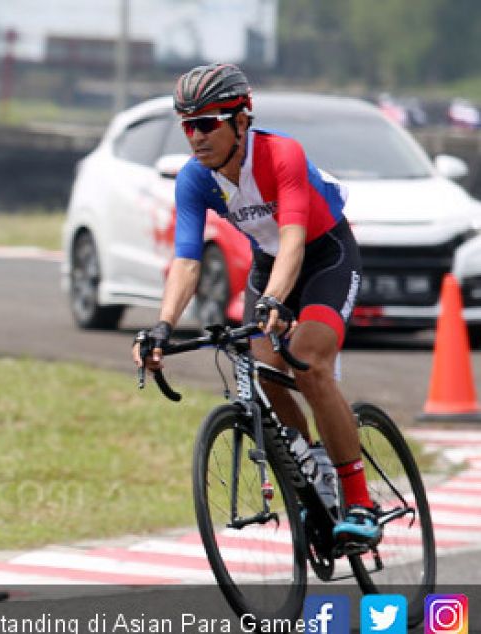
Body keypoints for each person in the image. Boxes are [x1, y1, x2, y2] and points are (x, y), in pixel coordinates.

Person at [131, 63, 380, 545]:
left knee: (308, 364)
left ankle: (360, 501)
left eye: (207, 123)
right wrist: (162, 326)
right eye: (187, 125)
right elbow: (186, 263)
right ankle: (315, 471)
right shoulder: (194, 180)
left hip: (323, 254)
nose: (196, 136)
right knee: (261, 370)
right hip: (270, 265)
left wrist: (275, 300)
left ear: (241, 120)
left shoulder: (281, 154)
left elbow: (293, 239)